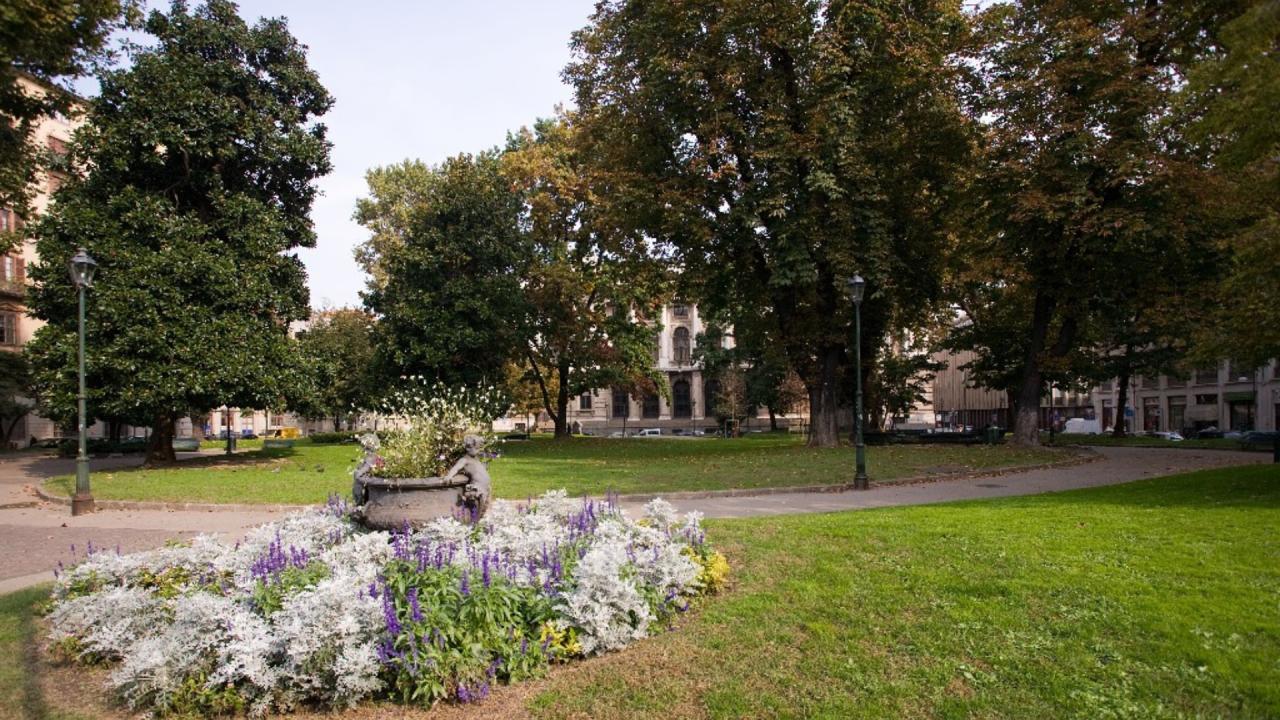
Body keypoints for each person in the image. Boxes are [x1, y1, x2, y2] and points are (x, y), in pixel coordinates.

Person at [443, 434, 491, 513]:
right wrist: (449, 476)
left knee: (484, 508)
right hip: (477, 486)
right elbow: (456, 468)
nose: (478, 450)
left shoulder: (475, 459)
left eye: (479, 448)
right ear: (468, 448)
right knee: (478, 506)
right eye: (476, 448)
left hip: (486, 487)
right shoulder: (464, 460)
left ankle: (479, 516)